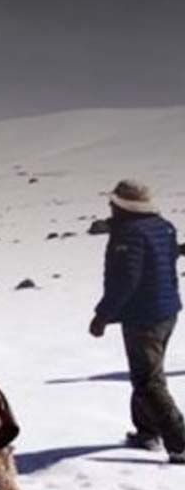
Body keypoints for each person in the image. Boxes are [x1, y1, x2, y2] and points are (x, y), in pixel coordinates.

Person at [89, 180, 184, 464]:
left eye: (113, 202)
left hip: (144, 316)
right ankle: (147, 432)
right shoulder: (164, 227)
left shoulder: (129, 233)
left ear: (124, 206)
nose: (109, 206)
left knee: (147, 381)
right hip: (166, 311)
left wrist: (102, 315)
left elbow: (125, 280)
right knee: (148, 373)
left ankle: (179, 441)